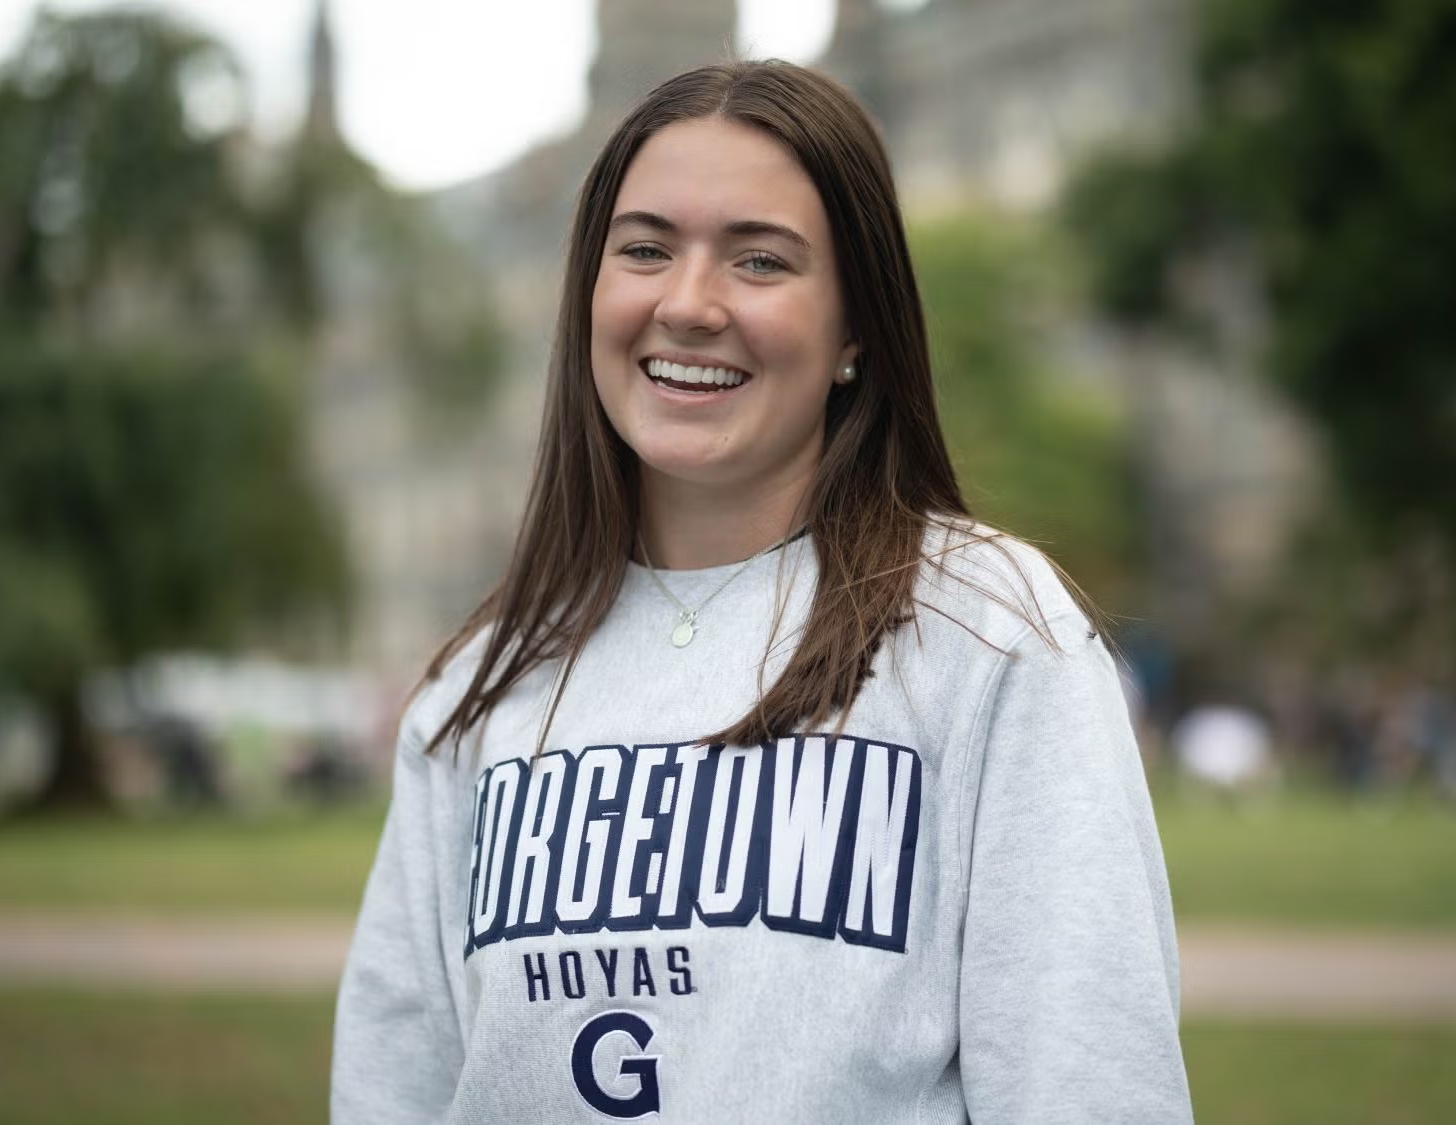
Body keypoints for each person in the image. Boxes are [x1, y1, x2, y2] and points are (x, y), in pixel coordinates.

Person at [331, 60, 1192, 1124]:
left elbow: (1089, 1083)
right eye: (644, 249)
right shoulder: (477, 689)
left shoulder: (987, 631)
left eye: (759, 261)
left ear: (854, 331)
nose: (688, 305)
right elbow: (394, 1090)